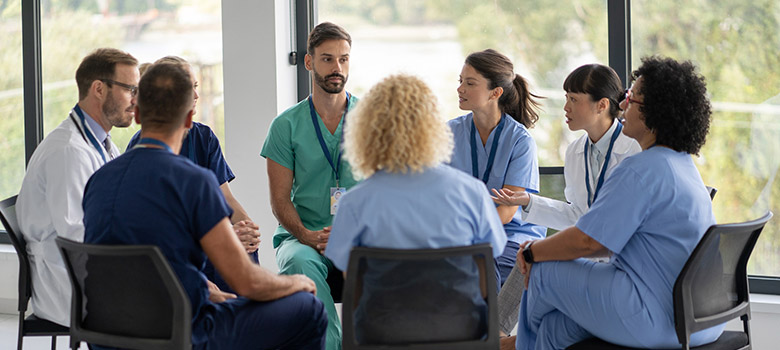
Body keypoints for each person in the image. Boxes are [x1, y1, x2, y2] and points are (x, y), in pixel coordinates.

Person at [83, 62, 327, 350]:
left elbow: (139, 265)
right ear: (188, 119)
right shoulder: (194, 182)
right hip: (181, 334)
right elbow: (248, 283)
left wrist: (202, 289)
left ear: (136, 114)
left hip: (107, 337)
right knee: (308, 308)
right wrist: (296, 282)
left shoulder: (98, 180)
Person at [514, 56, 721, 350]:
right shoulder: (682, 165)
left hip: (657, 317)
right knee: (554, 330)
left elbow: (590, 241)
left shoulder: (641, 168)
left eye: (630, 99)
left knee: (544, 271)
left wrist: (533, 252)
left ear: (654, 113)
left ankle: (515, 345)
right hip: (699, 319)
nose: (622, 105)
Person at [324, 74, 507, 344]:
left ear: (367, 131)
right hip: (461, 329)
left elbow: (353, 282)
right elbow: (484, 276)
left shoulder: (355, 202)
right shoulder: (472, 193)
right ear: (432, 127)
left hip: (382, 331)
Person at [491, 64, 641, 337]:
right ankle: (500, 335)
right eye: (566, 98)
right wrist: (528, 201)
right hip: (592, 257)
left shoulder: (633, 151)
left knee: (535, 257)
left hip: (619, 265)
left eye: (574, 99)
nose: (566, 107)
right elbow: (578, 216)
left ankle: (500, 337)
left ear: (602, 105)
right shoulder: (576, 152)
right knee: (531, 256)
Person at [16, 48, 139, 327]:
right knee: (180, 298)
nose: (136, 100)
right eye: (131, 89)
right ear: (98, 88)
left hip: (88, 271)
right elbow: (78, 236)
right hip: (69, 284)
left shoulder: (102, 144)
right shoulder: (68, 151)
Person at [261, 21, 357, 350]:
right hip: (302, 236)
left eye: (344, 59)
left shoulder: (371, 118)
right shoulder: (285, 125)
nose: (337, 68)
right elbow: (279, 199)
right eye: (328, 59)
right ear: (308, 62)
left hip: (358, 234)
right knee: (300, 263)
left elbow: (385, 189)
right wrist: (306, 236)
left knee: (384, 261)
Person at [127, 56, 261, 293]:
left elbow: (226, 200)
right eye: (190, 88)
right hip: (179, 252)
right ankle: (234, 312)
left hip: (201, 243)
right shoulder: (140, 149)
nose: (197, 96)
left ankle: (239, 311)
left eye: (196, 87)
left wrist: (246, 228)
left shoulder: (204, 138)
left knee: (246, 247)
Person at [447, 49, 545, 290]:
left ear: (495, 93)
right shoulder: (448, 134)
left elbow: (508, 210)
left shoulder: (520, 140)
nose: (460, 89)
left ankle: (495, 328)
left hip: (510, 234)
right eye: (460, 81)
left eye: (470, 83)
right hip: (462, 232)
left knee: (484, 274)